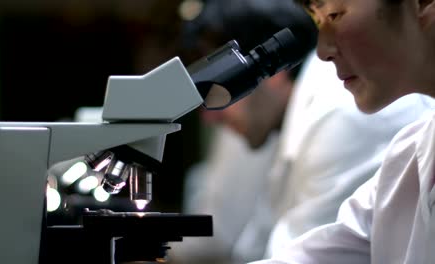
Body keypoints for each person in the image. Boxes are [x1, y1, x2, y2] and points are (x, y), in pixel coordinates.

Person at [170, 0, 435, 263]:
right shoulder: (412, 148)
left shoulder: (342, 116)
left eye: (334, 15)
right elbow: (324, 251)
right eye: (319, 21)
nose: (322, 51)